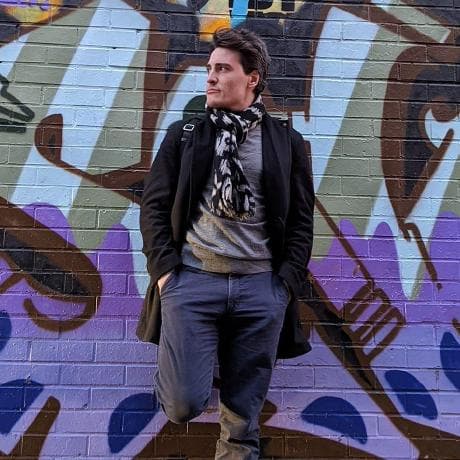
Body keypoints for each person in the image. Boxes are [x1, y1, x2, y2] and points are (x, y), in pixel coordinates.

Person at [137, 28, 315, 459]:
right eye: (209, 69)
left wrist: (284, 284)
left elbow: (301, 219)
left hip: (261, 289)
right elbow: (154, 207)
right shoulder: (186, 134)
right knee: (182, 404)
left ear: (252, 78)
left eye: (222, 69)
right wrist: (165, 274)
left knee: (242, 418)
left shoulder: (285, 142)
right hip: (193, 283)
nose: (211, 78)